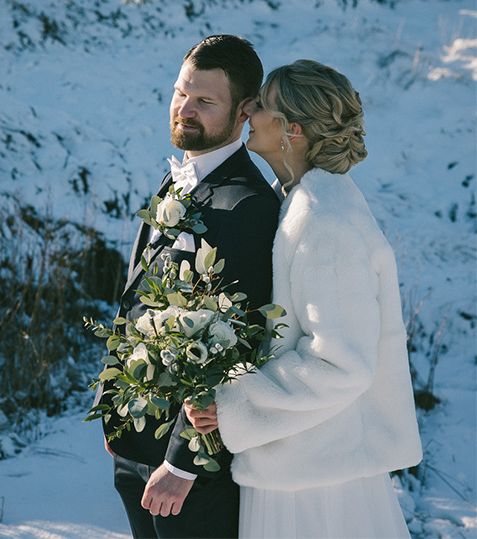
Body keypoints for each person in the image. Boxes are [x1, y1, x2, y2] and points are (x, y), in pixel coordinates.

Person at [185, 59, 422, 538]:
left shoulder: (323, 220)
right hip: (304, 459)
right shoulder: (301, 200)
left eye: (263, 106)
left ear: (291, 129)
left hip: (314, 482)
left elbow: (341, 363)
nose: (249, 112)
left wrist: (236, 404)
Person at [95, 35, 280, 538]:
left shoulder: (248, 206)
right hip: (134, 442)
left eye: (205, 101)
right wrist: (114, 408)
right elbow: (134, 300)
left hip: (188, 471)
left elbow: (237, 346)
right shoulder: (176, 179)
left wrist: (182, 465)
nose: (185, 109)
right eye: (181, 93)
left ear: (245, 111)